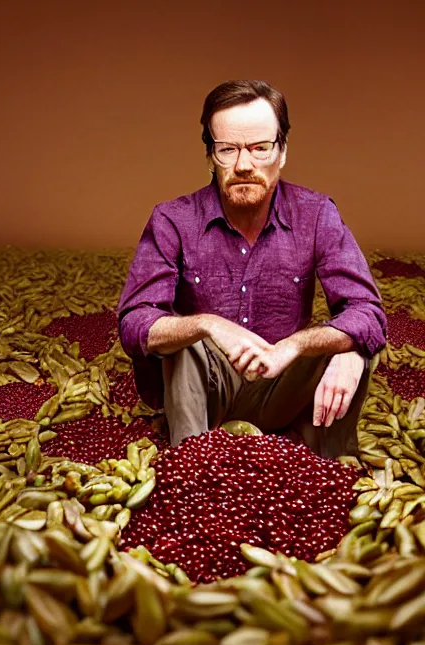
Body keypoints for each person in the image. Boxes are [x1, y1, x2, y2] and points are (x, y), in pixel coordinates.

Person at [117, 79, 387, 458]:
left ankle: (326, 468)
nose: (244, 165)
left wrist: (319, 349)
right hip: (203, 391)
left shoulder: (316, 214)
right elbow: (133, 323)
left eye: (260, 148)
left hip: (284, 386)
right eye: (228, 149)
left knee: (354, 343)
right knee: (183, 343)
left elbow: (369, 314)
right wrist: (207, 324)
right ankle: (193, 470)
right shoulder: (172, 220)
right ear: (210, 155)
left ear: (283, 151)